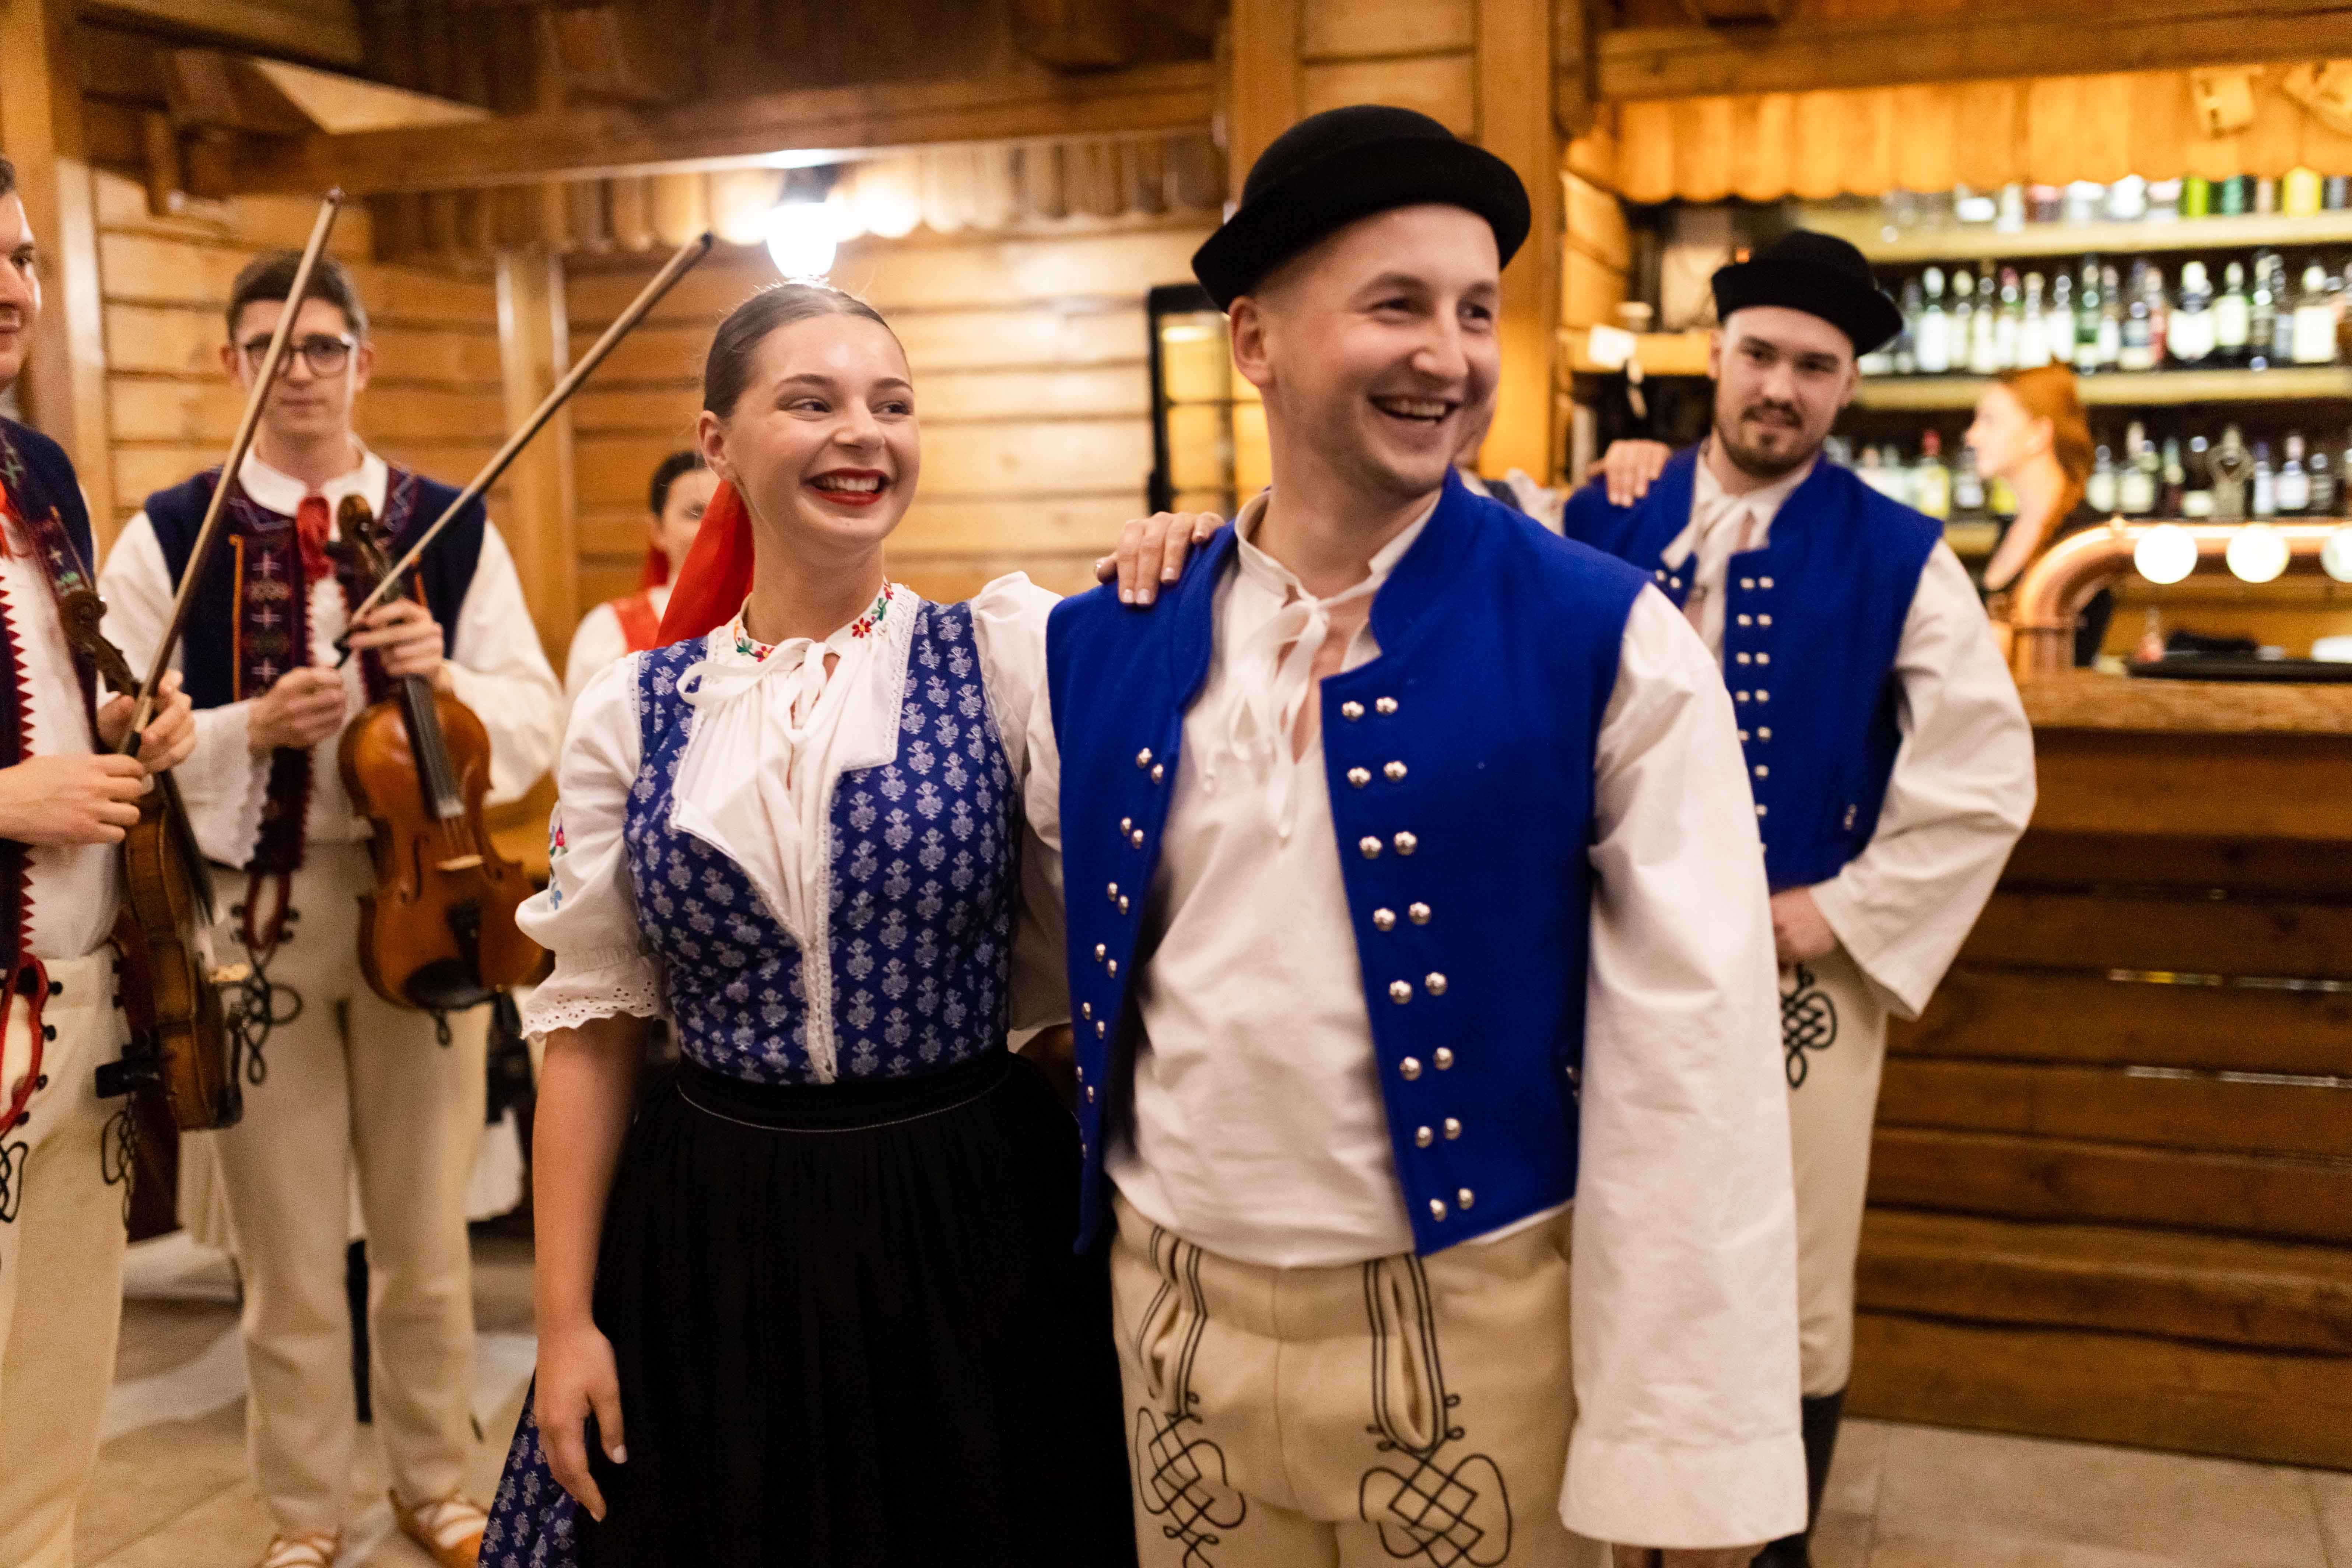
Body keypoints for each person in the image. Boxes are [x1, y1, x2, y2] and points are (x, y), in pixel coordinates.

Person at [1069, 104, 1806, 1566]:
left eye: (1475, 311)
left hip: (1474, 1321)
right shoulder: (1105, 636)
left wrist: (1687, 1458)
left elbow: (1694, 1069)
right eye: (1395, 304)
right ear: (1254, 338)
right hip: (1172, 1321)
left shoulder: (1608, 638)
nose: (1450, 355)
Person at [482, 283, 1211, 1568]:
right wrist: (561, 1322)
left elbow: (1166, 821)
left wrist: (1197, 562)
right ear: (717, 444)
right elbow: (591, 1034)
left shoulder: (1004, 655)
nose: (860, 434)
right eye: (810, 403)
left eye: (891, 404)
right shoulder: (634, 706)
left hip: (965, 1210)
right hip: (713, 1228)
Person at [1564, 231, 2037, 1568]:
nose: (1779, 387)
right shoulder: (1598, 513)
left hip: (1796, 978)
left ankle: (1772, 1552)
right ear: (1714, 359)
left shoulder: (1899, 556)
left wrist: (1843, 908)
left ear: (1846, 388)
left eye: (1812, 368)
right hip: (1599, 960)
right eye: (1759, 355)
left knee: (1794, 1271)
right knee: (1603, 1238)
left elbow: (1985, 771)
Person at [100, 250, 563, 1568]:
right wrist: (248, 726)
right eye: (267, 348)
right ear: (230, 366)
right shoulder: (169, 532)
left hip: (435, 909)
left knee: (426, 1240)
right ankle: (302, 1509)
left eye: (319, 347)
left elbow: (536, 719)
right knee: (291, 1254)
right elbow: (119, 732)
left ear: (363, 361)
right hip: (266, 916)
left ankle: (437, 1482)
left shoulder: (450, 525)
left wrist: (446, 674)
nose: (295, 372)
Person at [0, 150, 198, 1568]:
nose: (12, 288)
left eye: (22, 258)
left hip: (89, 989)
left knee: (58, 1394)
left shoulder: (38, 470)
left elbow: (61, 689)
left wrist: (126, 714)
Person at [1965, 364, 2109, 665]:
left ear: (2037, 434)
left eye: (1989, 421)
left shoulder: (2082, 537)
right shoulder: (2011, 527)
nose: (1972, 436)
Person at [561, 449, 718, 702]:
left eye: (725, 511)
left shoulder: (765, 623)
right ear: (658, 531)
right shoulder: (611, 630)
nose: (714, 525)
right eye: (696, 512)